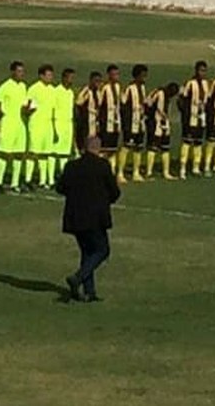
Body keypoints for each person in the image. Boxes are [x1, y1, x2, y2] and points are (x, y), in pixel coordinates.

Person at [57, 136, 121, 303]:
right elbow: (114, 192)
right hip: (95, 217)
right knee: (102, 250)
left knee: (87, 251)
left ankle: (89, 291)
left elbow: (60, 188)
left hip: (75, 217)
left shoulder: (72, 166)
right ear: (98, 149)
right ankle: (78, 277)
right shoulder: (103, 166)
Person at [0, 62, 29, 192]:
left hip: (20, 124)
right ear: (12, 72)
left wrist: (29, 109)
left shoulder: (23, 86)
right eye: (19, 71)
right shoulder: (5, 87)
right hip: (8, 123)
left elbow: (24, 105)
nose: (21, 74)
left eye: (22, 71)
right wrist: (0, 121)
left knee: (19, 153)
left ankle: (15, 183)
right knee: (4, 153)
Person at [25, 64, 57, 189]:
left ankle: (43, 181)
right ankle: (28, 179)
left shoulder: (52, 90)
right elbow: (27, 106)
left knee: (46, 153)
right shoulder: (33, 89)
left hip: (48, 124)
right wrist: (29, 109)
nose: (50, 77)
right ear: (41, 76)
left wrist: (54, 129)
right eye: (48, 75)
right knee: (33, 152)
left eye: (51, 75)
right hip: (36, 124)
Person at [178, 61, 210, 180]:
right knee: (187, 143)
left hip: (201, 119)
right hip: (190, 119)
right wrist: (185, 116)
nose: (203, 73)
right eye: (201, 70)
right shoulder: (189, 83)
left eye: (204, 71)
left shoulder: (207, 84)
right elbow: (181, 100)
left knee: (198, 143)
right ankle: (182, 168)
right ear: (196, 71)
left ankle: (195, 167)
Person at [144, 82, 180, 180]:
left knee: (165, 148)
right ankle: (149, 172)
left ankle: (166, 172)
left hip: (165, 125)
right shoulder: (159, 93)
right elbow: (147, 103)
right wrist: (150, 118)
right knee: (153, 147)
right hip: (155, 124)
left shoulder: (167, 97)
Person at [119, 64, 148, 183]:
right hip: (131, 123)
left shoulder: (142, 88)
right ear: (137, 75)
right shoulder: (130, 88)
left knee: (138, 148)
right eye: (143, 75)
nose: (144, 78)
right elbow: (124, 104)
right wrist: (126, 123)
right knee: (126, 147)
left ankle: (136, 172)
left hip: (140, 122)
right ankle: (120, 172)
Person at [97, 64, 123, 176]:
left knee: (113, 149)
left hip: (116, 123)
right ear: (109, 75)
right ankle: (100, 171)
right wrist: (98, 122)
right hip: (106, 123)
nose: (116, 76)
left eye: (117, 74)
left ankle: (112, 171)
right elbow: (98, 105)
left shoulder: (118, 87)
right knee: (104, 149)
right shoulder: (104, 88)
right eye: (114, 74)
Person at [53, 68, 77, 175]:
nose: (71, 80)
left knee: (65, 152)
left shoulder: (71, 93)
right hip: (58, 123)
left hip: (68, 124)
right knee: (55, 152)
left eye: (72, 78)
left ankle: (62, 173)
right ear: (63, 78)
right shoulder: (56, 91)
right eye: (69, 78)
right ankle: (51, 176)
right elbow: (52, 109)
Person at [75, 71, 102, 152]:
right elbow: (78, 103)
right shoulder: (86, 91)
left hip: (94, 124)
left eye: (99, 81)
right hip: (85, 124)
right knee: (84, 146)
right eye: (96, 81)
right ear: (91, 81)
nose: (98, 83)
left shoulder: (98, 92)